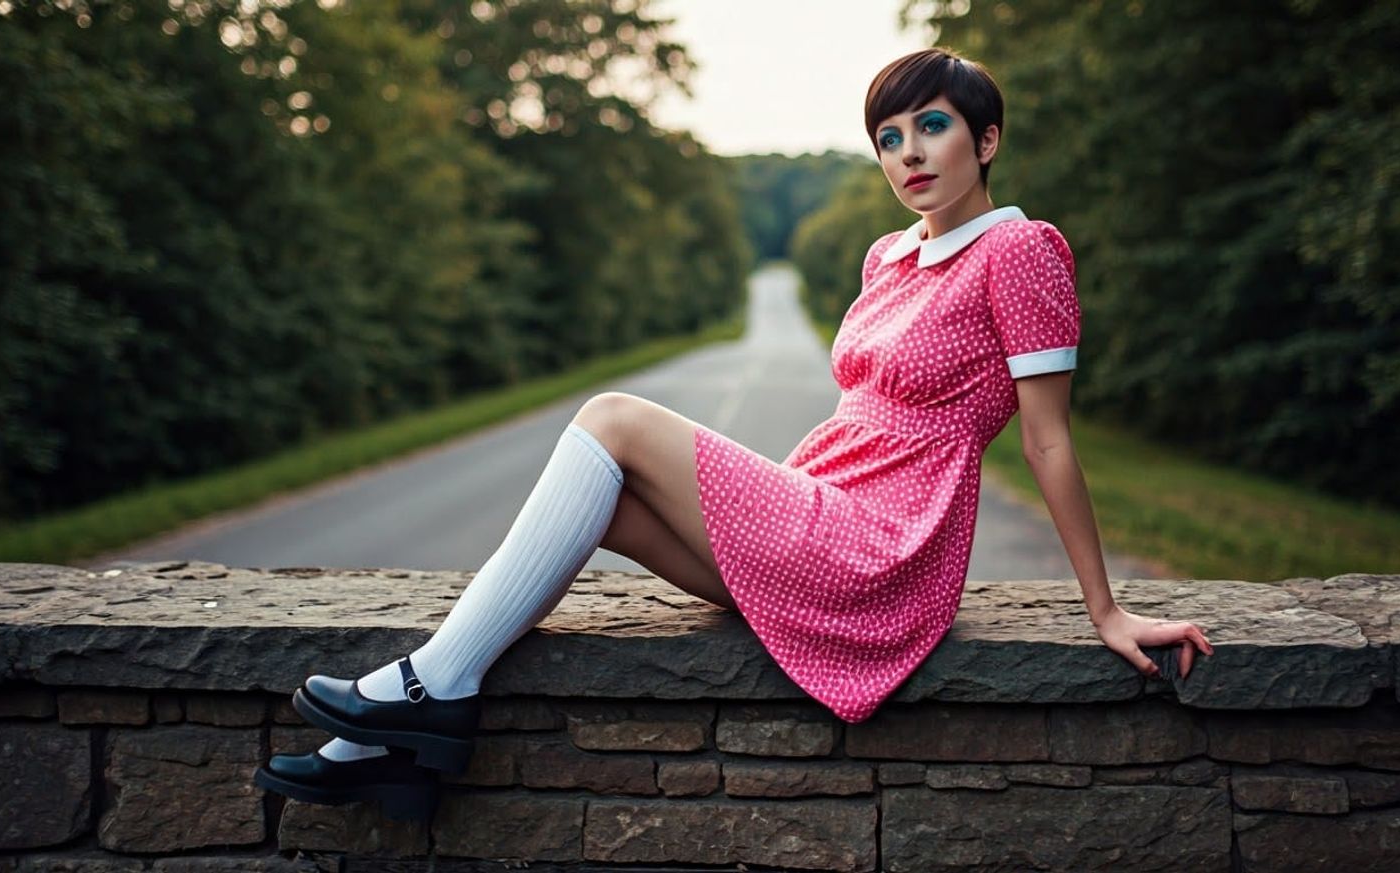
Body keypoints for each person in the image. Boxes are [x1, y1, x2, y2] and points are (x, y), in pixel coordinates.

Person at [253, 46, 1215, 822]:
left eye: (932, 126)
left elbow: (1048, 442)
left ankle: (429, 688)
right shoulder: (888, 255)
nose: (909, 153)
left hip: (882, 545)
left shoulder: (1020, 250)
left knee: (613, 418)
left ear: (987, 138)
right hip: (819, 509)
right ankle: (388, 752)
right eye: (888, 137)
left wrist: (1105, 610)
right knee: (611, 500)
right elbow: (859, 411)